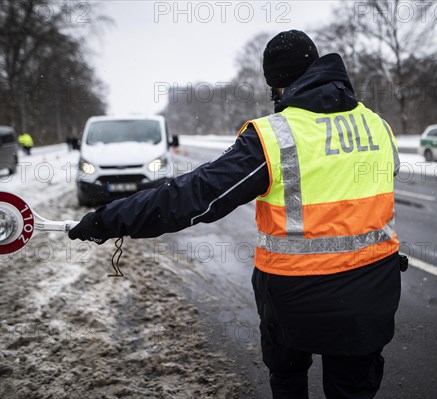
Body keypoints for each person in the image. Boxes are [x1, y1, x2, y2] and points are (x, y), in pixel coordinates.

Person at [69, 30, 402, 398]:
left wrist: (109, 218)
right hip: (371, 290)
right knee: (354, 388)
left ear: (275, 84)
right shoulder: (378, 125)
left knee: (289, 379)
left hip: (297, 297)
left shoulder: (273, 136)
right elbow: (380, 177)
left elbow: (196, 195)